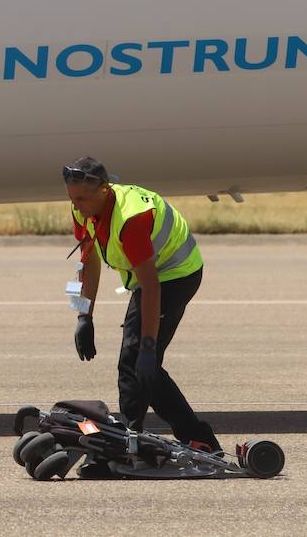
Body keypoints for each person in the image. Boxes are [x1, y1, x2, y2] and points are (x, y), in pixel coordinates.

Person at [63, 156, 221, 470]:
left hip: (175, 276)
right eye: (71, 199)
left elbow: (151, 287)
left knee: (138, 360)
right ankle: (136, 440)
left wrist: (148, 347)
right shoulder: (84, 209)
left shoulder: (131, 218)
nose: (76, 206)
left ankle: (142, 442)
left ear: (104, 190)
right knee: (138, 364)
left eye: (81, 199)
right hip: (147, 279)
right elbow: (88, 264)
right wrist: (83, 316)